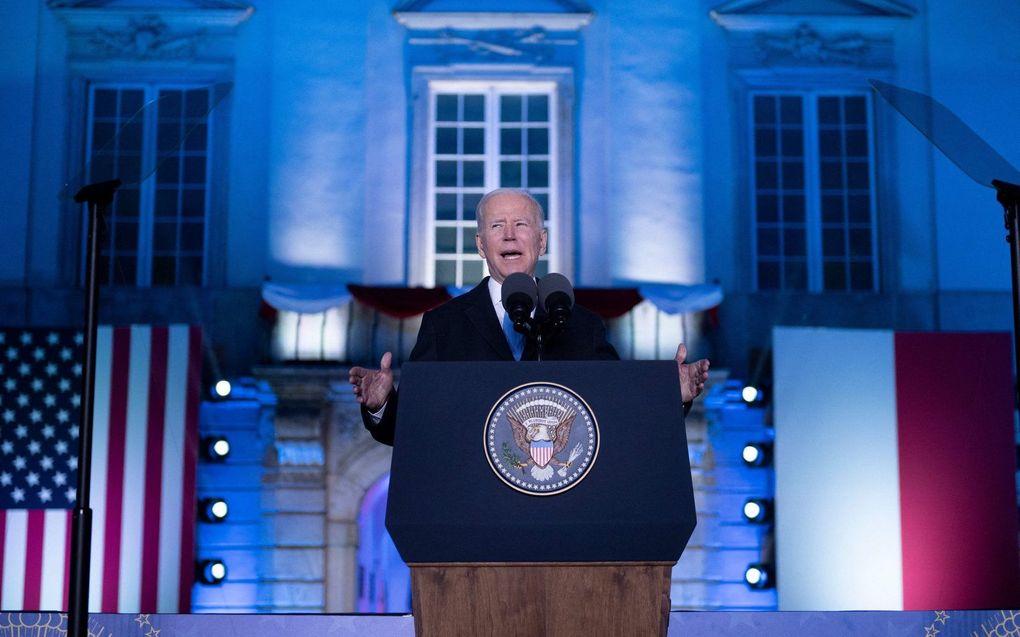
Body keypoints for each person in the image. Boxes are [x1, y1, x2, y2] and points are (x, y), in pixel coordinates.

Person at [349, 188, 710, 445]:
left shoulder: (582, 325)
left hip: (563, 516)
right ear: (480, 245)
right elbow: (412, 429)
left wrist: (672, 395)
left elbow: (619, 416)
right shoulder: (445, 325)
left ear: (542, 241)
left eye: (521, 224)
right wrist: (384, 403)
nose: (509, 235)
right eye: (496, 226)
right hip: (474, 514)